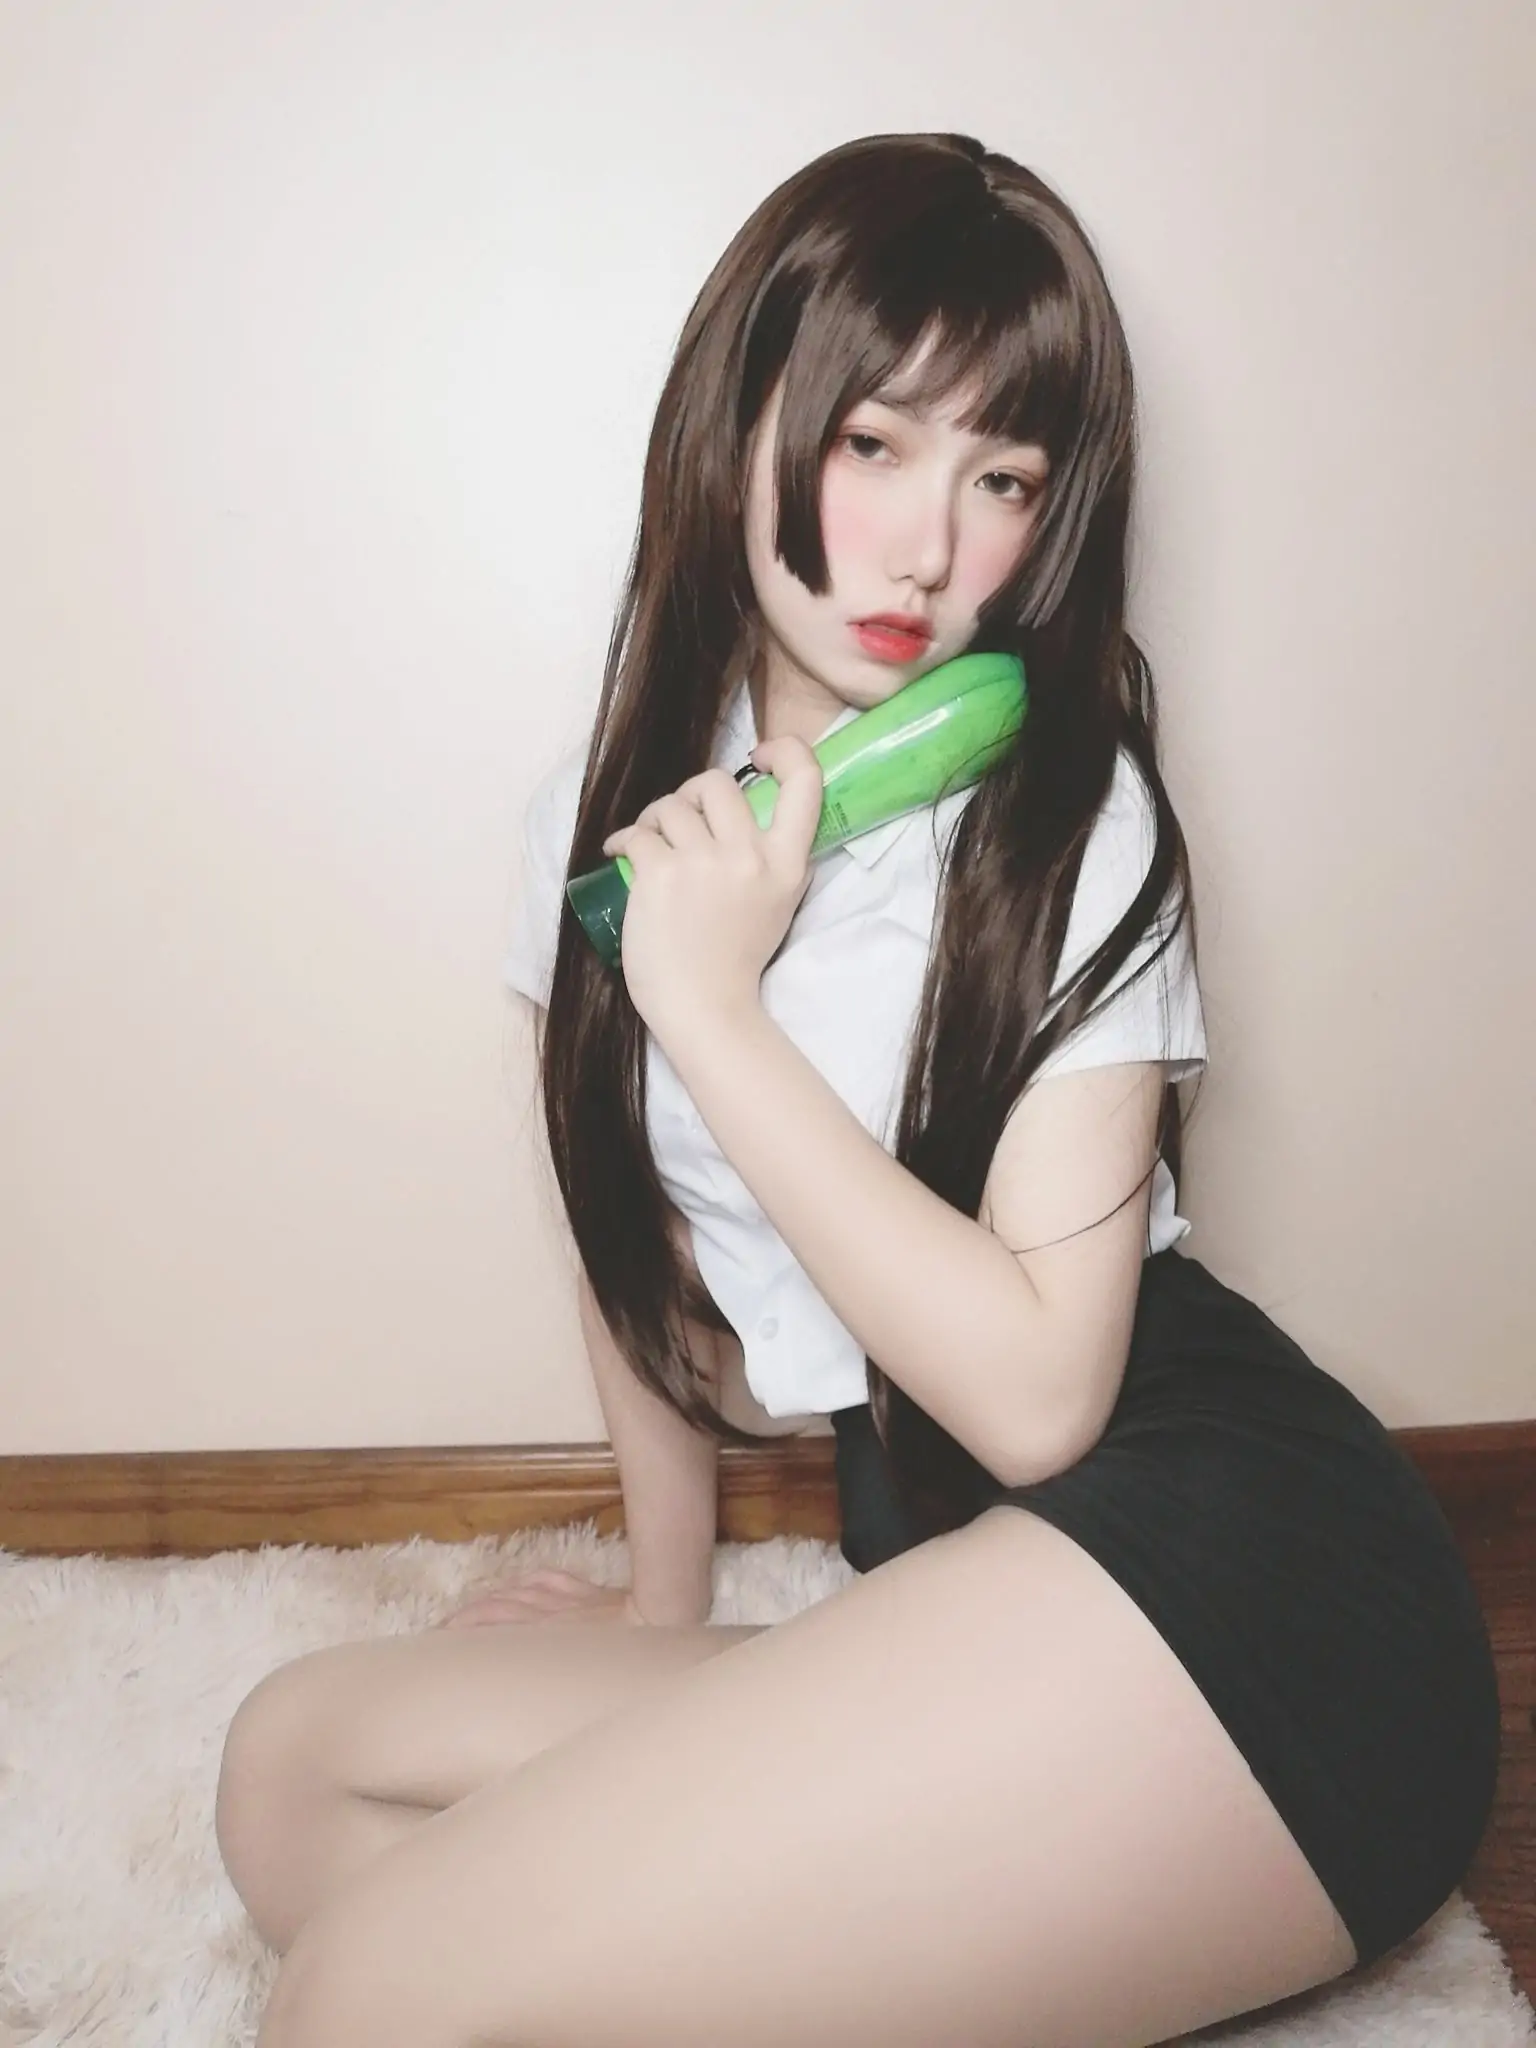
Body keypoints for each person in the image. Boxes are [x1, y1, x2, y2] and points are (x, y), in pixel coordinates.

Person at [215, 132, 1501, 2048]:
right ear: (740, 428)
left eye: (1003, 480)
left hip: (1245, 1602)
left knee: (370, 1994)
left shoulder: (1071, 820)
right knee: (292, 1781)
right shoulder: (631, 807)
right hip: (969, 1584)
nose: (923, 550)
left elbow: (1039, 1398)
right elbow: (625, 1230)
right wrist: (664, 1603)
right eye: (873, 443)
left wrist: (712, 1008)